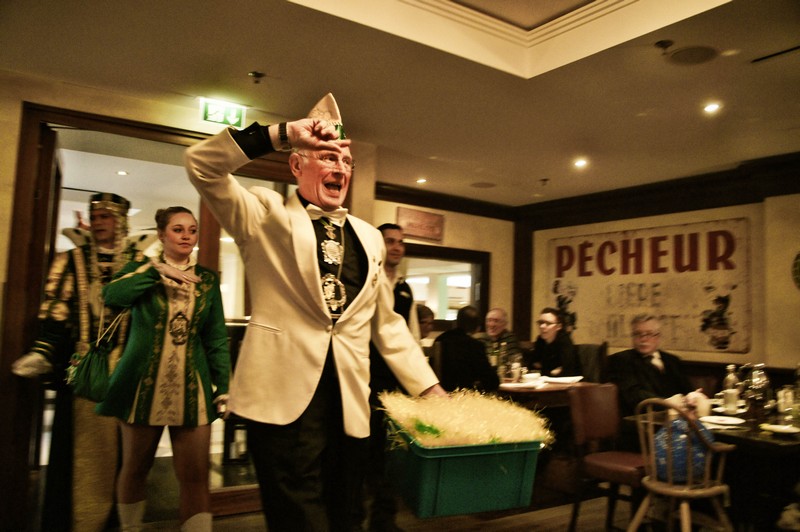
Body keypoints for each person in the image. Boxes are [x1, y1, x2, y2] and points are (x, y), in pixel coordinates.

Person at [183, 93, 446, 532]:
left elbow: (385, 323)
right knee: (298, 519)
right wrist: (282, 133)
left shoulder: (370, 236)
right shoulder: (263, 214)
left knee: (348, 516)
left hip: (349, 404)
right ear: (296, 164)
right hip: (282, 403)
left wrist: (429, 387)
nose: (340, 169)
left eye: (346, 161)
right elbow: (201, 165)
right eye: (327, 157)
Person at [11, 193, 154, 532]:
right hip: (81, 366)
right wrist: (46, 348)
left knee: (125, 453)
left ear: (120, 221)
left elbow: (149, 315)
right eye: (95, 216)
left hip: (126, 370)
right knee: (76, 452)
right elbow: (56, 308)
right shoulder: (72, 260)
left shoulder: (140, 262)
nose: (99, 222)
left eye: (106, 216)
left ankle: (116, 523)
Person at [95, 206, 230, 532]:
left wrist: (224, 386)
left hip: (192, 386)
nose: (187, 236)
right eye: (178, 229)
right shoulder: (140, 269)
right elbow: (111, 295)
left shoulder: (208, 280)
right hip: (140, 384)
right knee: (135, 468)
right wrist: (155, 272)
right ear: (161, 234)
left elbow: (216, 337)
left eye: (192, 230)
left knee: (196, 475)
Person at [362, 222, 419, 531]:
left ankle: (384, 521)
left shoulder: (406, 289)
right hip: (365, 379)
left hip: (396, 383)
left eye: (400, 242)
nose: (396, 247)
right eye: (390, 241)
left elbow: (411, 335)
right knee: (364, 450)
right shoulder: (366, 280)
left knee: (392, 452)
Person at [608, 314, 694, 416]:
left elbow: (687, 390)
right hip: (641, 419)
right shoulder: (621, 360)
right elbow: (633, 394)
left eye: (649, 334)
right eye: (638, 334)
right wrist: (666, 403)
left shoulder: (673, 360)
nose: (643, 339)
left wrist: (693, 397)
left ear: (658, 337)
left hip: (678, 417)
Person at [435, 305, 500, 392]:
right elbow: (491, 381)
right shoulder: (475, 346)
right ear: (478, 327)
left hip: (437, 393)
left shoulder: (440, 339)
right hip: (463, 396)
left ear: (457, 322)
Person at [527, 307, 582, 377]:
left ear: (558, 326)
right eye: (540, 322)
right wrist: (550, 371)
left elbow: (567, 370)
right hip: (545, 381)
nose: (542, 326)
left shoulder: (564, 341)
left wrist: (543, 368)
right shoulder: (540, 340)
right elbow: (532, 365)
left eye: (548, 323)